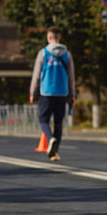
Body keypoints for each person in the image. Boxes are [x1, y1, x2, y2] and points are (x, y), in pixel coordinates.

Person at [30, 28, 74, 161]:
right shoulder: (67, 54)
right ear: (59, 37)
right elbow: (71, 77)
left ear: (49, 38)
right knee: (59, 123)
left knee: (43, 120)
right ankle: (54, 152)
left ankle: (50, 139)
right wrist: (73, 95)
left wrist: (32, 92)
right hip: (62, 93)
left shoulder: (43, 53)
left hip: (46, 92)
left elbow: (36, 75)